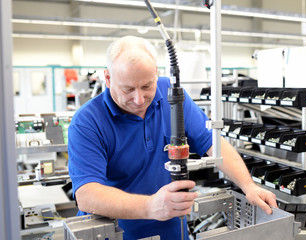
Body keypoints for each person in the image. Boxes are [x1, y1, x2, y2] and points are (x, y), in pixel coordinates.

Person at [68, 36, 277, 240]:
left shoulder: (172, 94)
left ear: (156, 74)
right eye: (128, 89)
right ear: (107, 78)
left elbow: (213, 143)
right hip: (118, 233)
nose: (139, 99)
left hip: (171, 229)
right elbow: (87, 195)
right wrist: (150, 206)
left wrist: (248, 185)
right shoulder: (87, 121)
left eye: (147, 86)